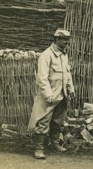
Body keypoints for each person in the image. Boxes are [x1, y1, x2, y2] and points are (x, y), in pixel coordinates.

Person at [28, 28, 75, 159]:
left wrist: (70, 88)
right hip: (49, 95)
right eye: (65, 40)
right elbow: (41, 77)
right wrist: (48, 94)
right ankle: (39, 149)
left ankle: (54, 143)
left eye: (68, 40)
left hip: (62, 94)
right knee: (43, 121)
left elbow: (67, 73)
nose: (67, 42)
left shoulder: (64, 55)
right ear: (57, 39)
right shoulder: (46, 55)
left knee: (58, 121)